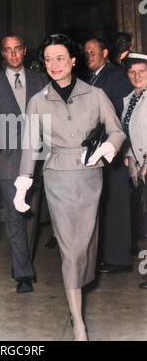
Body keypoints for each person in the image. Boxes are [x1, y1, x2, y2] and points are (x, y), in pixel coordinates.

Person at [14, 33, 125, 340]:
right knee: (70, 250)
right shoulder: (37, 102)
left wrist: (108, 149)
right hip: (57, 177)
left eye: (60, 58)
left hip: (91, 176)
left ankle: (78, 287)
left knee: (85, 247)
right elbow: (29, 146)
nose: (54, 65)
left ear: (73, 60)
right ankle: (78, 321)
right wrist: (23, 183)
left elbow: (116, 130)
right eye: (48, 59)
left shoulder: (95, 94)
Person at [0, 33, 48, 293]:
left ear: (25, 50)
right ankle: (23, 273)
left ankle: (22, 261)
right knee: (15, 216)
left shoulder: (41, 80)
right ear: (2, 53)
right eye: (7, 50)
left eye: (17, 49)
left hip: (37, 160)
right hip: (7, 161)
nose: (13, 54)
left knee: (30, 216)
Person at [84, 37, 133, 274]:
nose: (89, 56)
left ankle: (120, 258)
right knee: (107, 203)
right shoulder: (92, 77)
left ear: (105, 52)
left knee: (118, 203)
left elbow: (122, 115)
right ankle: (109, 254)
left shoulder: (116, 76)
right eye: (86, 53)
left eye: (93, 52)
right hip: (100, 150)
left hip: (115, 149)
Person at [121, 53, 147, 289]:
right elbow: (128, 134)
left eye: (142, 71)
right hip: (138, 168)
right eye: (132, 72)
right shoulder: (131, 99)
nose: (137, 76)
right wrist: (129, 157)